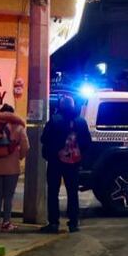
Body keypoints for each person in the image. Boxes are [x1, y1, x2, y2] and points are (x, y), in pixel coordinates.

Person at [40, 95, 92, 233]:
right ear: (73, 106)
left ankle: (53, 223)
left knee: (53, 192)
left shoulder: (54, 120)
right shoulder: (81, 121)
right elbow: (87, 142)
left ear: (60, 106)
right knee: (72, 193)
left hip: (55, 161)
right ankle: (73, 223)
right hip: (74, 162)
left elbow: (44, 138)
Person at [0, 104, 29, 232]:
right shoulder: (19, 127)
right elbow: (25, 146)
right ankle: (7, 222)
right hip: (12, 166)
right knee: (8, 195)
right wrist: (19, 157)